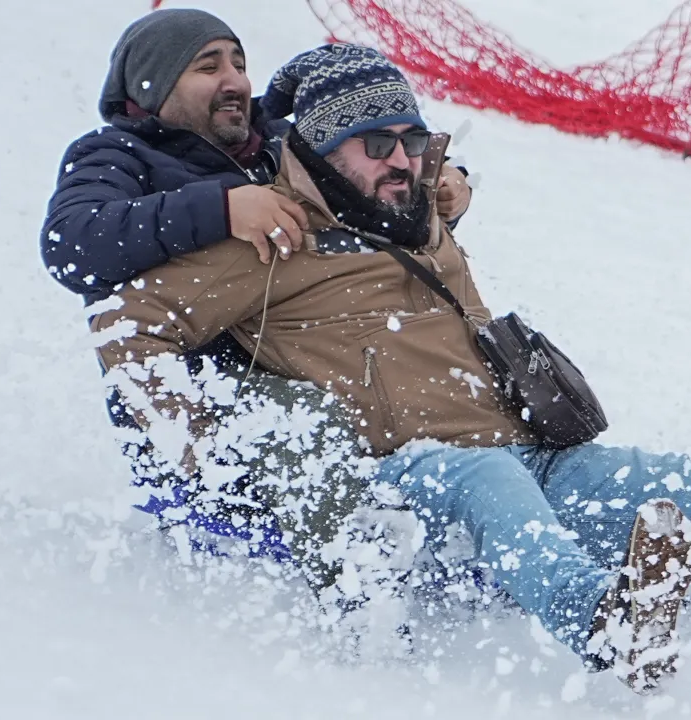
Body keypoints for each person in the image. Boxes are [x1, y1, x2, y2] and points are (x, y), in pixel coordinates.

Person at [88, 44, 691, 694]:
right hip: (398, 479)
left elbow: (438, 181)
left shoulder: (421, 212)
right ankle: (603, 623)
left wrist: (448, 178)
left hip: (525, 450)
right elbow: (126, 321)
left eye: (410, 137)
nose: (400, 158)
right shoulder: (268, 237)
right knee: (487, 476)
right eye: (375, 144)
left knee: (675, 480)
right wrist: (200, 442)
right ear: (318, 152)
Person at [38, 10, 474, 555]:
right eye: (207, 65)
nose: (235, 80)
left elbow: (366, 179)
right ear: (152, 85)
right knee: (307, 421)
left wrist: (442, 178)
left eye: (240, 63)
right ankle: (363, 600)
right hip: (201, 390)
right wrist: (220, 208)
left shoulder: (272, 143)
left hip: (311, 355)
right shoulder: (118, 155)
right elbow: (71, 245)